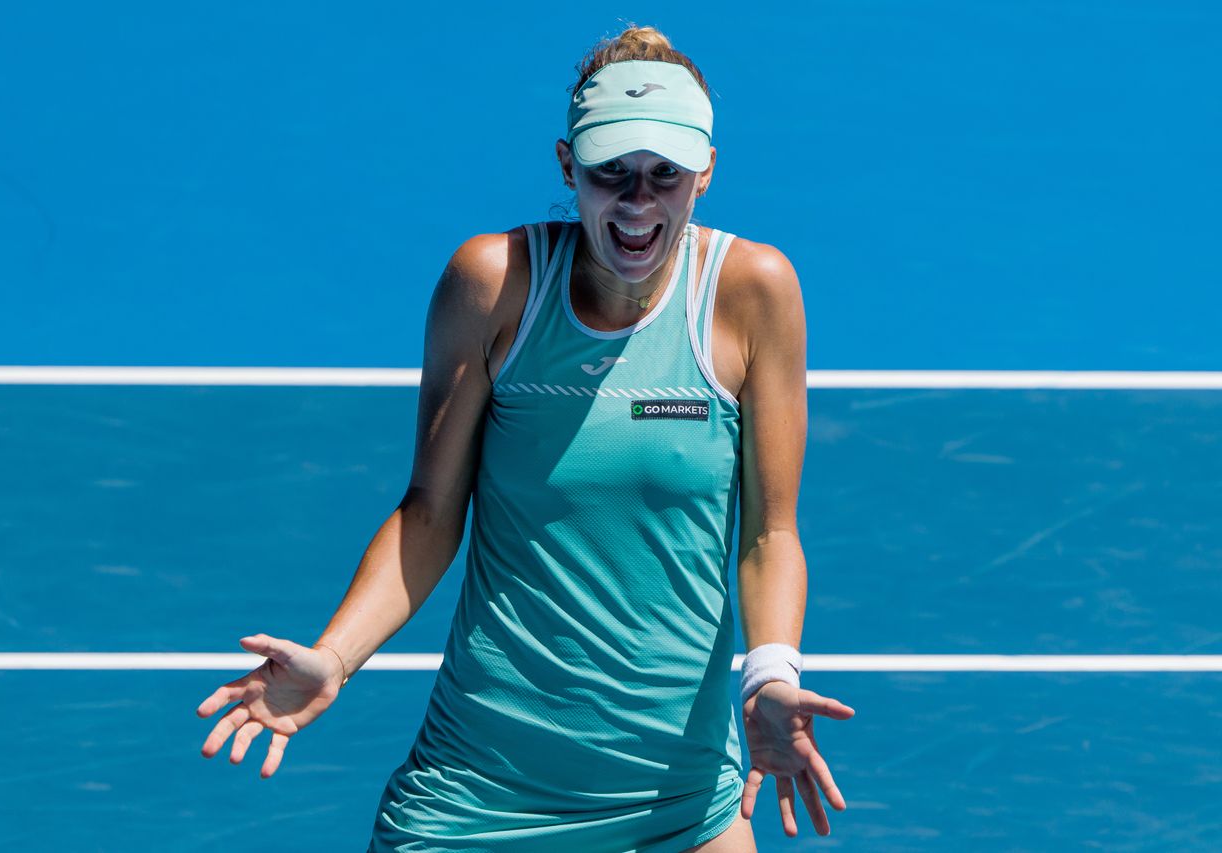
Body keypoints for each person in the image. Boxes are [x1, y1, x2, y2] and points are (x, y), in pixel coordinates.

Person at [196, 24, 856, 852]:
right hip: (477, 792)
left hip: (682, 802)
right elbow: (431, 509)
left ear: (707, 171)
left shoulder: (753, 292)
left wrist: (769, 676)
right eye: (609, 172)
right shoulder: (494, 284)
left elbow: (770, 530)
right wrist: (335, 656)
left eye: (665, 175)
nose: (637, 202)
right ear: (565, 165)